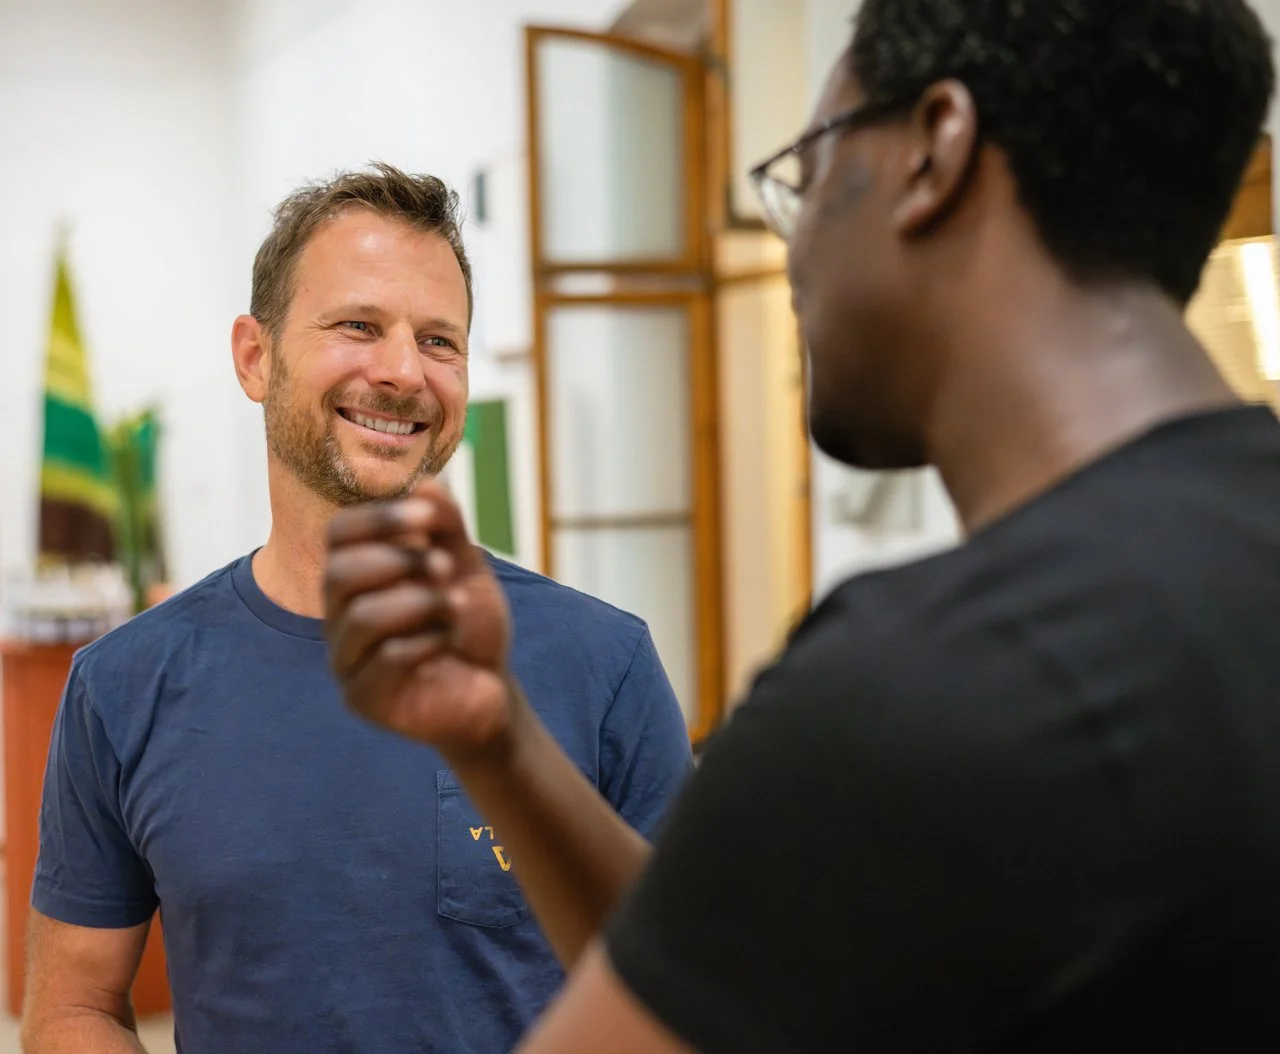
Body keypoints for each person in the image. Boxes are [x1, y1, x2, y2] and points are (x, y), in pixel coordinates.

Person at [322, 0, 1280, 1050]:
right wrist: (499, 740)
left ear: (933, 152)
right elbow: (725, 969)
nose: (791, 255)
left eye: (806, 175)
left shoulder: (922, 687)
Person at [23, 165, 692, 1054]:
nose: (404, 371)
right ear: (255, 357)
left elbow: (689, 996)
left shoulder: (602, 664)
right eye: (358, 326)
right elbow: (72, 1008)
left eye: (440, 341)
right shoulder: (124, 684)